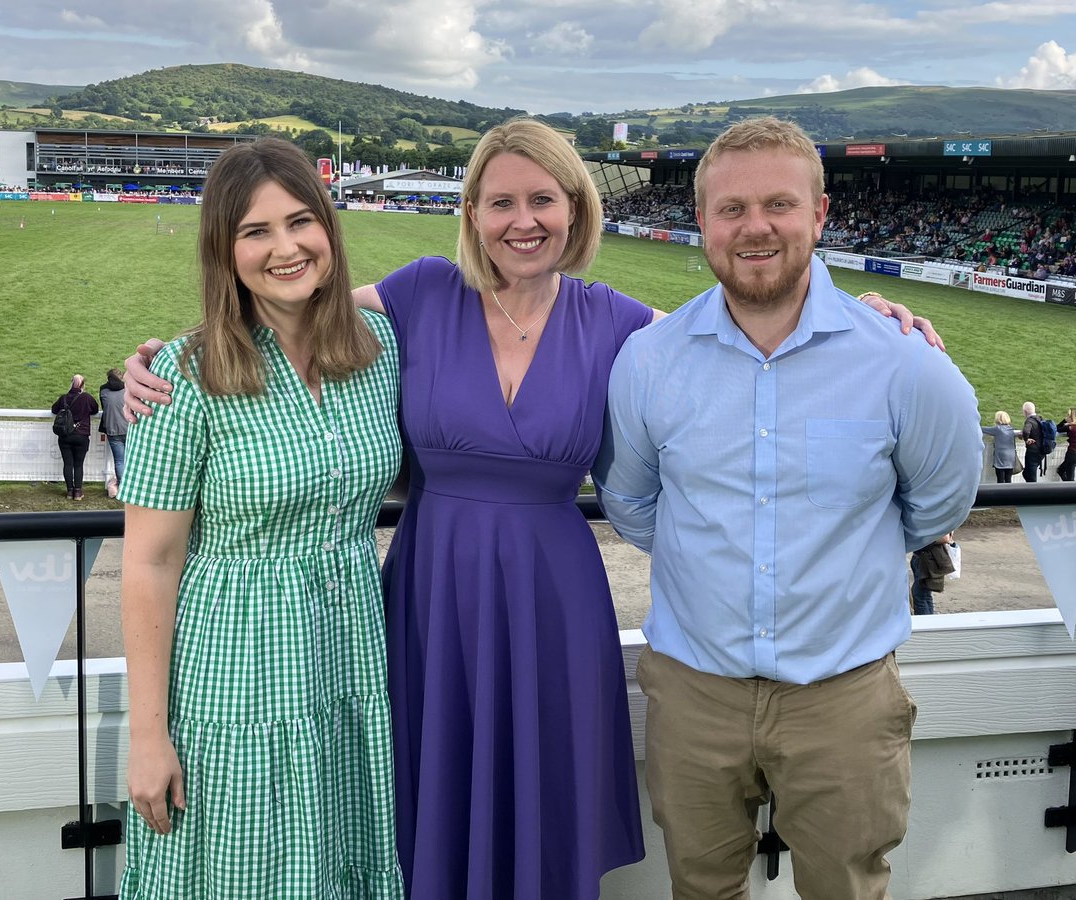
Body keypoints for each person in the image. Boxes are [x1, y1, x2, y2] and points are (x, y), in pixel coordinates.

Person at [123, 119, 938, 900]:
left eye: (543, 200)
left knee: (542, 805)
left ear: (576, 209)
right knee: (423, 805)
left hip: (552, 605)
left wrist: (857, 312)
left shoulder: (616, 321)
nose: (523, 221)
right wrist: (156, 357)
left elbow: (738, 331)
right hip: (431, 600)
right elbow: (290, 301)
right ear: (471, 213)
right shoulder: (419, 295)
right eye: (501, 202)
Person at [593, 117, 983, 900]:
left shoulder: (907, 365)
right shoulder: (648, 362)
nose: (755, 227)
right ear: (700, 220)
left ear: (821, 214)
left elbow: (938, 502)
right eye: (731, 209)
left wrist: (846, 553)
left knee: (847, 889)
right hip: (694, 689)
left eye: (779, 204)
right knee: (701, 887)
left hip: (844, 695)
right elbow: (630, 501)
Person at [117, 138, 403, 899]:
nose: (286, 247)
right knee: (245, 868)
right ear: (223, 250)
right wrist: (147, 735)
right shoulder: (184, 376)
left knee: (339, 855)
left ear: (329, 231)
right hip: (236, 672)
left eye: (301, 221)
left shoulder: (382, 354)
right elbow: (147, 564)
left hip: (347, 657)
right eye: (256, 231)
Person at [51, 374, 99, 500]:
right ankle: (77, 492)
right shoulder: (86, 397)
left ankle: (69, 491)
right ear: (83, 385)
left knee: (68, 464)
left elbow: (54, 409)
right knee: (78, 465)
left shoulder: (64, 398)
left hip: (65, 435)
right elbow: (95, 410)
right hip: (81, 435)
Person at [98, 368, 127, 497]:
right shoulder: (128, 389)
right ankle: (130, 486)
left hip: (112, 429)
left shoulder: (103, 390)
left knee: (119, 460)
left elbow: (104, 407)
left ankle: (122, 486)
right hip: (128, 428)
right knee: (130, 459)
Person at [909, 533, 955, 615]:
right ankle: (929, 620)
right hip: (923, 557)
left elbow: (945, 538)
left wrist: (919, 540)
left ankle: (925, 624)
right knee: (924, 594)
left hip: (928, 558)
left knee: (920, 596)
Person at [982, 410, 1019, 483]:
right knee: (1008, 478)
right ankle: (1009, 493)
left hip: (1000, 457)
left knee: (1000, 479)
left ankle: (1001, 493)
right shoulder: (1011, 429)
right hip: (1011, 456)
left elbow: (983, 429)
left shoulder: (997, 429)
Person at [1021, 401, 1044, 481]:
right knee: (1027, 473)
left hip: (1033, 451)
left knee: (1030, 476)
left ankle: (1034, 492)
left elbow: (1026, 431)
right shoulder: (1040, 419)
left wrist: (1026, 439)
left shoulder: (1029, 421)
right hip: (1042, 450)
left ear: (1025, 412)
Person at [1058, 407, 1076, 482]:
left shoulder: (1071, 427)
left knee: (1070, 479)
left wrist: (1065, 420)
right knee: (1061, 469)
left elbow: (1058, 428)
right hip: (1072, 455)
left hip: (1072, 454)